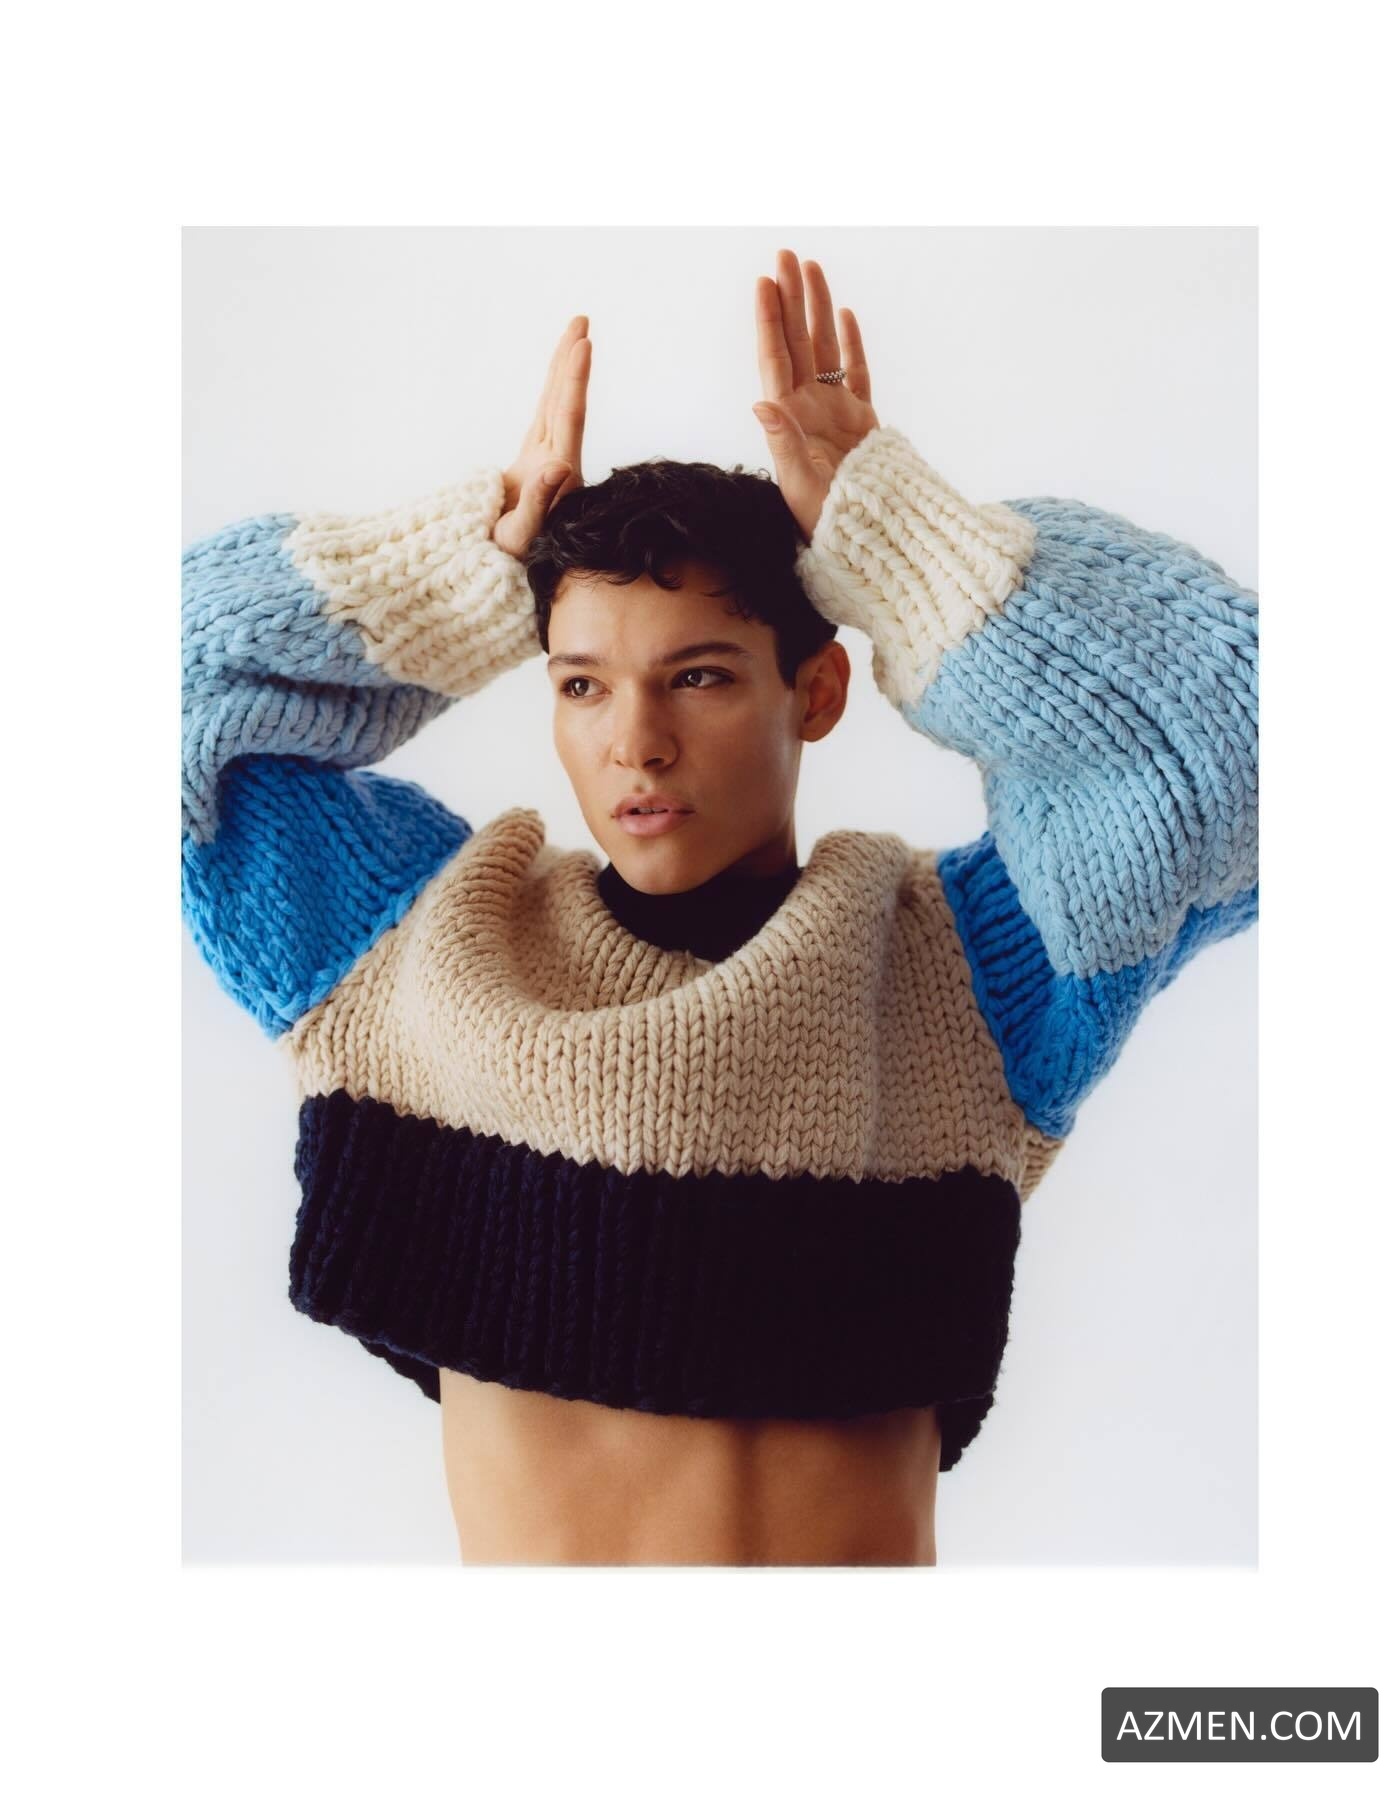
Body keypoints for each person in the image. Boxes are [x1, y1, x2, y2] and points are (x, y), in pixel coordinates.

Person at [182, 248, 1259, 1566]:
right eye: (581, 684)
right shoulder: (418, 948)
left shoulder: (966, 981)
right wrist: (466, 572)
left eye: (697, 677)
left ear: (816, 691)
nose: (635, 742)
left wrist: (908, 549)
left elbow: (1249, 748)